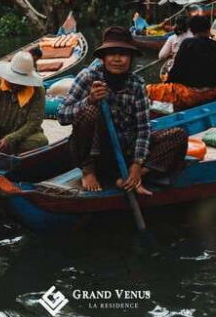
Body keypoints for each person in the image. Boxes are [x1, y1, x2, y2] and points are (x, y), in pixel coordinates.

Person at [58, 27, 187, 193]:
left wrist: (137, 163)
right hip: (95, 151)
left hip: (125, 150)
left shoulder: (137, 85)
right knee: (90, 112)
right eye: (112, 54)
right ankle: (89, 171)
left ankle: (132, 177)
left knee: (178, 135)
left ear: (131, 58)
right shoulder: (88, 77)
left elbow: (143, 128)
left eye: (123, 54)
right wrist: (90, 100)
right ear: (103, 58)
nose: (117, 59)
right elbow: (62, 116)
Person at [146, 15, 216, 111]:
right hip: (212, 92)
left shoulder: (187, 44)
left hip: (190, 94)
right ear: (208, 29)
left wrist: (168, 83)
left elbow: (176, 71)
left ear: (192, 30)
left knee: (147, 90)